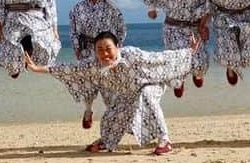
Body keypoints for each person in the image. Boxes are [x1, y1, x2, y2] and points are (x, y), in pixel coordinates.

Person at [25, 31, 198, 155]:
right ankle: (106, 142)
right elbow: (68, 69)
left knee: (146, 95)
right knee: (111, 117)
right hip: (128, 91)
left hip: (151, 83)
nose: (104, 53)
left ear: (118, 47)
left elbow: (159, 58)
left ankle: (165, 140)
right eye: (99, 50)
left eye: (108, 48)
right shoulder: (93, 65)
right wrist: (37, 68)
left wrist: (187, 52)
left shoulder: (132, 55)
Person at [141, 0, 210, 98]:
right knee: (176, 59)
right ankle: (178, 82)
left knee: (199, 63)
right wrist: (152, 8)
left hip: (195, 27)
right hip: (173, 26)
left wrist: (204, 25)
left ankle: (198, 74)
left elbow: (210, 2)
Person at [68, 0, 127, 128]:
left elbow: (121, 27)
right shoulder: (77, 8)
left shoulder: (112, 7)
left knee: (109, 85)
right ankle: (88, 111)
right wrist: (76, 48)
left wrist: (117, 47)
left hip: (107, 50)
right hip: (87, 49)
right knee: (88, 83)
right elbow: (73, 31)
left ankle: (112, 117)